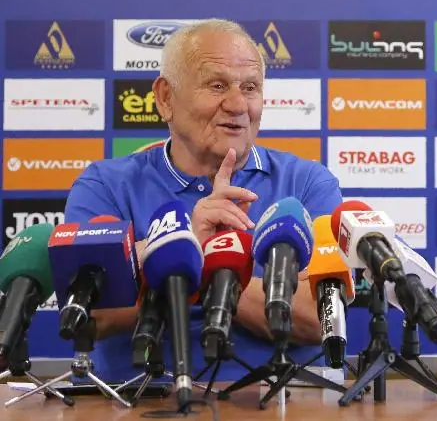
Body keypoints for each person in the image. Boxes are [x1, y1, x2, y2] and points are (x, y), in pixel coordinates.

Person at [64, 19, 342, 383]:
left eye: (250, 87)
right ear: (165, 98)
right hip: (140, 398)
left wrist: (211, 266)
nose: (238, 104)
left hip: (278, 399)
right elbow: (88, 316)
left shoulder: (307, 183)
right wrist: (178, 244)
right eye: (217, 85)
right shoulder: (105, 185)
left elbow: (321, 320)